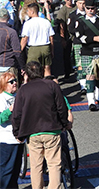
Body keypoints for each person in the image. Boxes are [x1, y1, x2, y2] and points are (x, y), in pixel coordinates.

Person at [12, 61, 70, 189]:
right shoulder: (51, 85)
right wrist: (64, 124)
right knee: (54, 163)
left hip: (32, 132)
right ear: (42, 71)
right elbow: (61, 107)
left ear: (26, 74)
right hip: (52, 129)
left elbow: (17, 114)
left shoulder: (23, 90)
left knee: (36, 165)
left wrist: (17, 133)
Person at [75, 0, 99, 111]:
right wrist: (94, 38)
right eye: (88, 8)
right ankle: (91, 102)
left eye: (92, 8)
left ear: (96, 9)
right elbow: (79, 37)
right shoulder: (80, 21)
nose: (90, 10)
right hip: (88, 51)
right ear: (85, 8)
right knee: (89, 76)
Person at [0, 72, 24, 189]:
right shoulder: (1, 98)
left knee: (15, 170)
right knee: (6, 171)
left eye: (15, 80)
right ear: (4, 84)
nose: (15, 83)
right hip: (6, 140)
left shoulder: (17, 96)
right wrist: (10, 109)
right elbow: (0, 119)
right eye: (11, 82)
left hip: (19, 139)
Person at [20, 3, 55, 77]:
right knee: (47, 68)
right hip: (46, 47)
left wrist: (19, 51)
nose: (27, 13)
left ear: (32, 12)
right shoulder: (46, 22)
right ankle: (47, 85)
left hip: (34, 48)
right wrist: (52, 50)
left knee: (32, 69)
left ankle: (33, 85)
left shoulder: (27, 24)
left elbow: (24, 39)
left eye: (28, 11)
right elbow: (51, 38)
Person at [67, 0, 87, 93]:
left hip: (89, 42)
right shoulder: (72, 15)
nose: (82, 6)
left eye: (83, 3)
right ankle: (82, 85)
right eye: (80, 3)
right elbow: (70, 29)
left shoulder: (89, 14)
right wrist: (79, 34)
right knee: (80, 63)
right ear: (76, 3)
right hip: (78, 41)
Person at [56, 0, 76, 80]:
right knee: (66, 54)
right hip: (68, 35)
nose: (70, 1)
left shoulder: (76, 8)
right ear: (64, 0)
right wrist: (62, 38)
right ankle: (67, 72)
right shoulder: (63, 10)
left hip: (76, 34)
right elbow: (61, 25)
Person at [0, 8, 24, 78]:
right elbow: (17, 52)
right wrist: (22, 66)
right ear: (8, 18)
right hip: (8, 66)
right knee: (11, 88)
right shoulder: (11, 32)